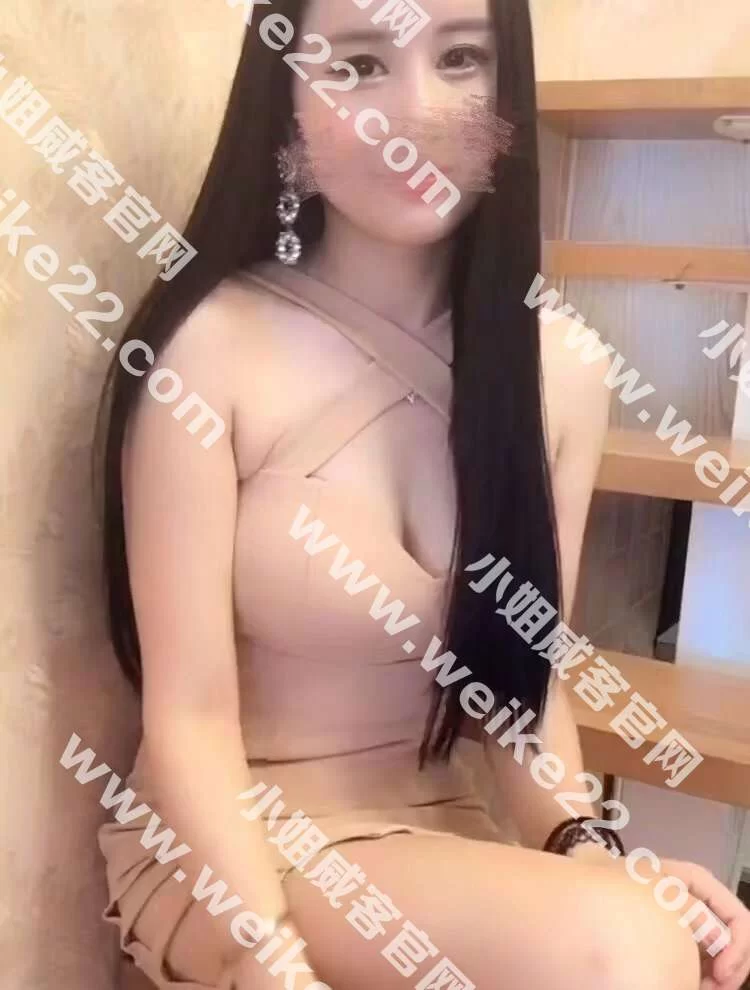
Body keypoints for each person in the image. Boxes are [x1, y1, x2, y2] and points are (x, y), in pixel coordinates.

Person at [93, 1, 750, 988]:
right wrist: (265, 953)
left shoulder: (561, 371)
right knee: (623, 950)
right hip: (224, 840)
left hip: (440, 836)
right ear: (285, 99)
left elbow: (523, 688)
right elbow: (186, 718)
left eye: (462, 58)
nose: (417, 110)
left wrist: (590, 853)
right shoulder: (211, 350)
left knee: (650, 935)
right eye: (359, 65)